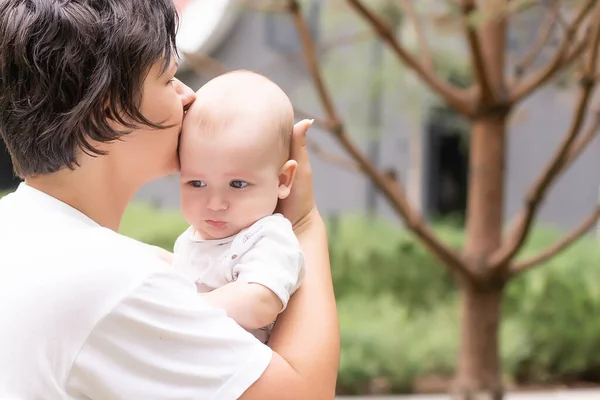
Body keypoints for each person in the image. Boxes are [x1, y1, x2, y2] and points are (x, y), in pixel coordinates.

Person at [0, 0, 339, 399]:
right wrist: (303, 224)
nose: (188, 96)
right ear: (109, 110)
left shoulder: (20, 228)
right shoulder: (116, 284)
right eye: (168, 79)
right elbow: (304, 393)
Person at [171, 70, 305, 344]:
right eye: (196, 183)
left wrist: (180, 306)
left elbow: (259, 301)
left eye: (237, 185)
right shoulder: (194, 237)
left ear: (282, 180)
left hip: (245, 381)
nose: (215, 204)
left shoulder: (268, 236)